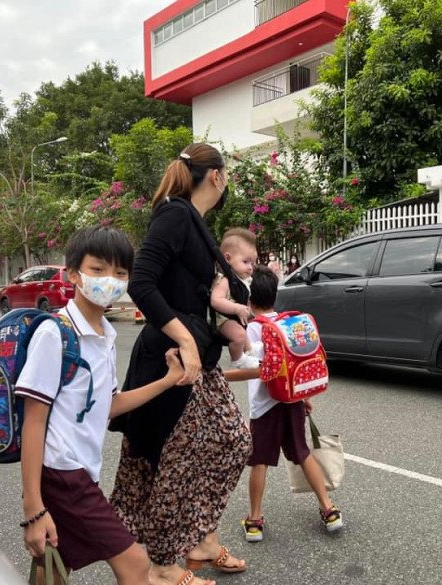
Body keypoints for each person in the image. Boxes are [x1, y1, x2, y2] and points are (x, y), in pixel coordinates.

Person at [109, 144, 251, 585]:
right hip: (171, 360)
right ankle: (165, 567)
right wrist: (185, 337)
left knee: (232, 442)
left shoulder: (196, 223)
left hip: (199, 362)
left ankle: (201, 540)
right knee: (170, 464)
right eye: (227, 175)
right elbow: (141, 283)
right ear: (216, 177)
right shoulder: (174, 214)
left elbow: (208, 294)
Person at [17, 226, 186, 584]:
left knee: (53, 564)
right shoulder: (55, 334)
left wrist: (169, 381)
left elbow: (107, 406)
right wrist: (32, 506)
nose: (109, 280)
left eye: (120, 273)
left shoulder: (105, 335)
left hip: (81, 470)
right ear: (74, 273)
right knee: (135, 563)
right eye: (98, 270)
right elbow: (33, 421)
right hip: (63, 472)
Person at [225, 266, 343, 544]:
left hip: (264, 407)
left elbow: (250, 368)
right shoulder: (288, 324)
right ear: (274, 296)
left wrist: (222, 376)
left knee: (259, 462)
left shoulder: (252, 329)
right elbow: (295, 364)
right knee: (302, 454)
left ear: (249, 302)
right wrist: (304, 397)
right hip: (291, 401)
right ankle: (329, 510)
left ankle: (254, 521)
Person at [211, 228, 260, 368]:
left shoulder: (239, 279)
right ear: (228, 258)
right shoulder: (225, 279)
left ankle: (249, 349)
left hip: (230, 317)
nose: (251, 267)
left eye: (252, 263)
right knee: (239, 334)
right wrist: (237, 308)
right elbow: (216, 300)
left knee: (243, 330)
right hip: (221, 319)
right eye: (246, 262)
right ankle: (238, 359)